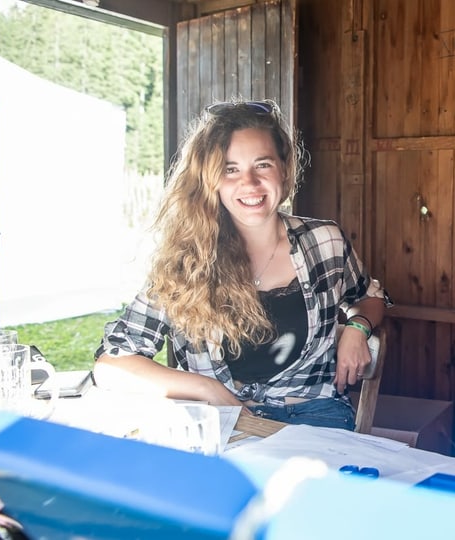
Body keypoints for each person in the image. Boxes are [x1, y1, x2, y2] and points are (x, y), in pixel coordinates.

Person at [93, 99, 390, 430]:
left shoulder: (324, 240)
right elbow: (112, 364)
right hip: (221, 424)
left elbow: (370, 295)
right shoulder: (187, 259)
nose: (249, 183)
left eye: (262, 165)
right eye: (230, 169)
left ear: (284, 169)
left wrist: (357, 326)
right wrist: (207, 389)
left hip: (315, 416)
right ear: (210, 180)